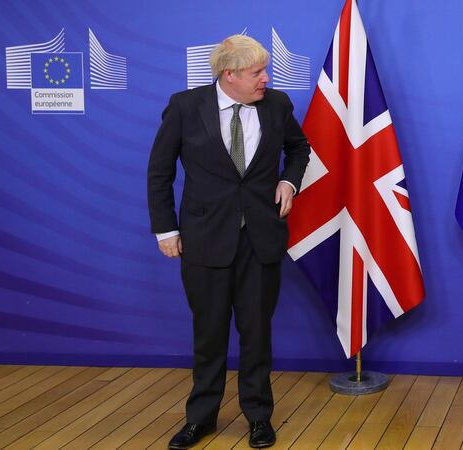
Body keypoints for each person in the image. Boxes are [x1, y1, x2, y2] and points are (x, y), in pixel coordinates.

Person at [147, 34, 310, 449]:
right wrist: (166, 230)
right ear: (229, 74)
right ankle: (200, 419)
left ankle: (258, 418)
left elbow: (299, 148)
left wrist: (290, 180)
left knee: (257, 336)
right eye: (257, 72)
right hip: (203, 241)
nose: (266, 80)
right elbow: (159, 172)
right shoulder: (185, 107)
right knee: (209, 335)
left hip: (261, 240)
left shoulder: (277, 106)